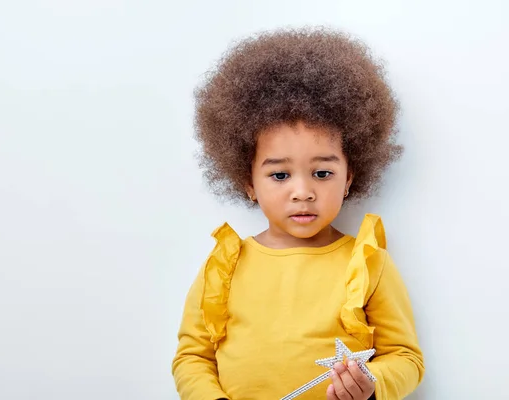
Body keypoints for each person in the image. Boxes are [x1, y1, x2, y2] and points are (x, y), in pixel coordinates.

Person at [172, 27, 424, 400]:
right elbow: (192, 357)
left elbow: (405, 357)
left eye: (322, 173)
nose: (303, 192)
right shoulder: (225, 265)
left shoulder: (368, 263)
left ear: (349, 177)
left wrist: (373, 385)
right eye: (279, 175)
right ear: (250, 183)